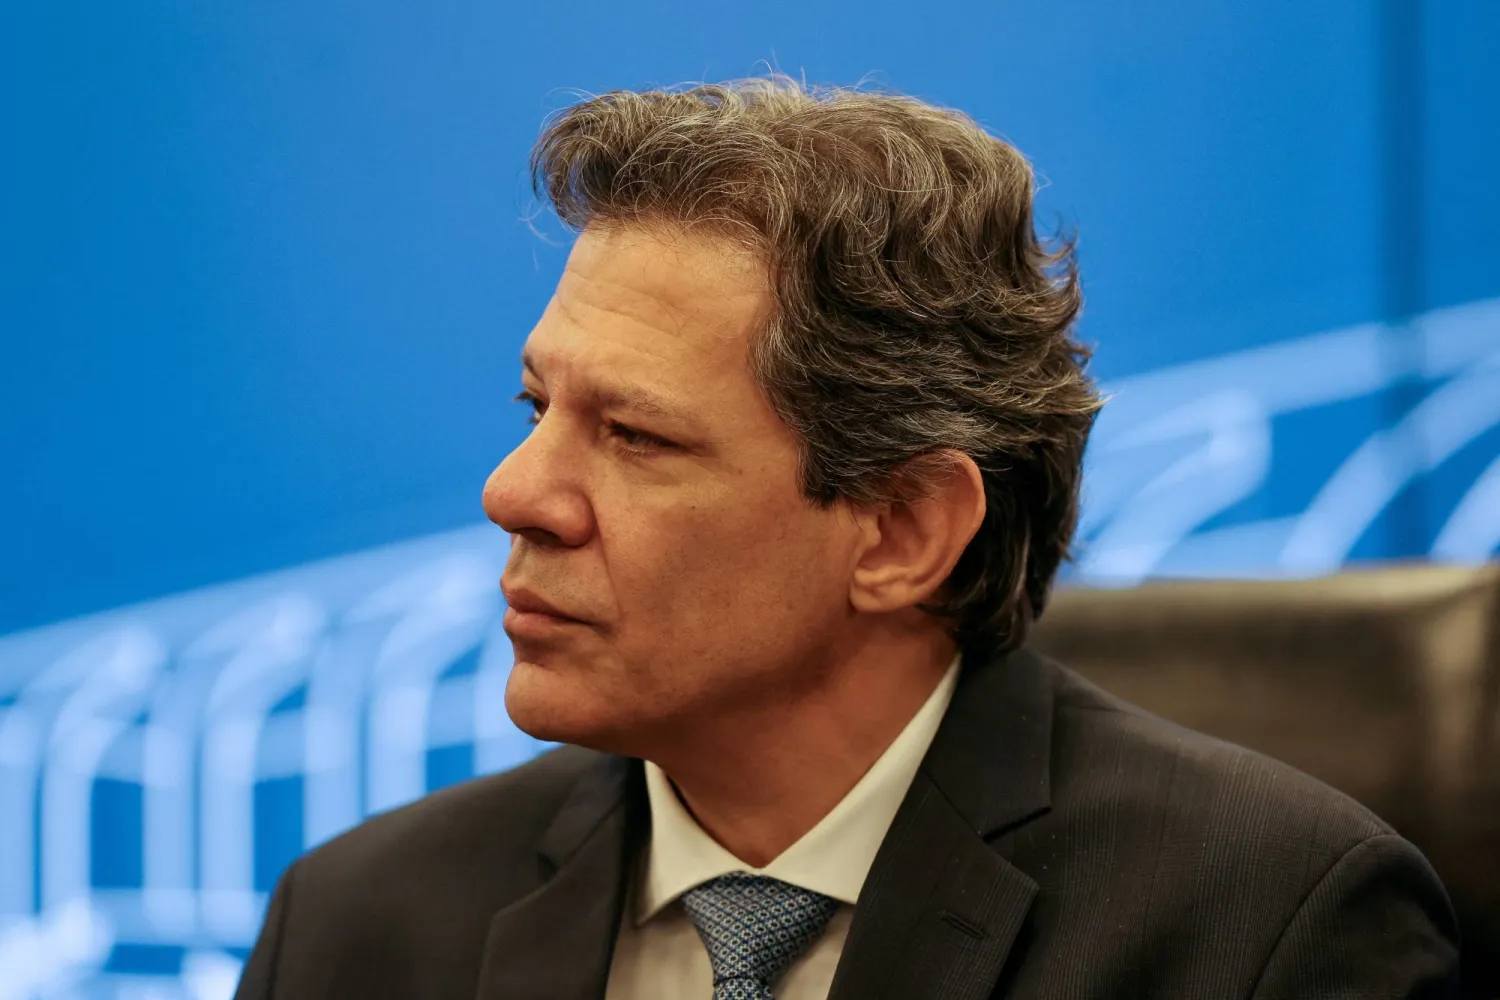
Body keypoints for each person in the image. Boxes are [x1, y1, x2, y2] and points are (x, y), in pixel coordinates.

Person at [233, 77, 1459, 999]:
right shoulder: (358, 929)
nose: (516, 492)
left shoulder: (1264, 929)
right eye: (536, 409)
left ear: (904, 529)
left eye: (636, 437)